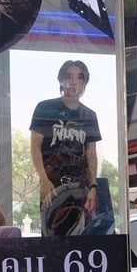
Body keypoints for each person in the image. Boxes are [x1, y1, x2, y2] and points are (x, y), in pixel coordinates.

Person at [30, 59, 101, 236]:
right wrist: (43, 179)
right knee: (53, 238)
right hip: (52, 183)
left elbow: (91, 154)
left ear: (85, 82)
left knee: (81, 239)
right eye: (69, 76)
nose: (74, 81)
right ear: (61, 80)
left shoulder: (89, 115)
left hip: (81, 185)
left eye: (79, 77)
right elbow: (35, 147)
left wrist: (93, 186)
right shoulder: (45, 108)